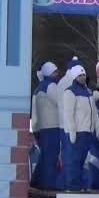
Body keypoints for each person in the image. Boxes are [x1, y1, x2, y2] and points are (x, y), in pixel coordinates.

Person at [62, 65, 99, 191]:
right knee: (74, 160)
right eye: (80, 75)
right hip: (77, 132)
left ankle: (82, 185)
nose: (83, 77)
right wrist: (72, 130)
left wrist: (98, 128)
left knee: (83, 161)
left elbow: (94, 112)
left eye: (84, 75)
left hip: (87, 132)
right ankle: (72, 186)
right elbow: (68, 113)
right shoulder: (70, 91)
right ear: (75, 76)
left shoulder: (88, 92)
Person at [31, 61, 61, 190]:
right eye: (55, 71)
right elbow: (61, 102)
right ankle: (49, 184)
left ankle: (37, 181)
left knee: (44, 156)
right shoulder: (51, 85)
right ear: (49, 73)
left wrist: (35, 128)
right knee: (51, 156)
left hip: (40, 128)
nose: (57, 73)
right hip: (52, 127)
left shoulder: (38, 88)